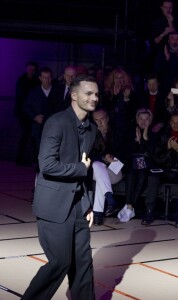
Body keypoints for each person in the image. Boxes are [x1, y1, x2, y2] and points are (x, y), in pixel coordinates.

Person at [21, 75, 99, 300]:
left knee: (83, 262)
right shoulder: (56, 122)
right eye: (88, 93)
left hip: (79, 205)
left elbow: (87, 168)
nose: (94, 98)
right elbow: (46, 164)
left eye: (96, 94)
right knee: (60, 262)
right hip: (54, 206)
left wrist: (88, 203)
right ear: (74, 95)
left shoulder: (92, 129)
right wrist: (79, 169)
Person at [141, 112, 178, 228]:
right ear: (170, 123)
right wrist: (168, 148)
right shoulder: (163, 136)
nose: (176, 125)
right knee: (153, 176)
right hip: (165, 170)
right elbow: (157, 158)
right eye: (173, 122)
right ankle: (149, 211)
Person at [91, 109, 123, 226]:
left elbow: (124, 153)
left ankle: (99, 212)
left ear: (107, 119)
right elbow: (89, 154)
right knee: (98, 165)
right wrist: (104, 158)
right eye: (96, 120)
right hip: (96, 170)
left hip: (115, 170)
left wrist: (112, 158)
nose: (99, 123)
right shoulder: (91, 134)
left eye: (102, 119)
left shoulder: (117, 132)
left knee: (101, 177)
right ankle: (109, 201)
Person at [125, 108, 155, 219]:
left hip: (147, 167)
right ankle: (129, 205)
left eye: (146, 119)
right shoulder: (131, 133)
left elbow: (153, 155)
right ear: (137, 120)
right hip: (132, 165)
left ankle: (130, 206)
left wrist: (146, 139)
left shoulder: (154, 134)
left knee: (142, 174)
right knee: (131, 173)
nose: (143, 121)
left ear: (150, 121)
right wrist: (137, 141)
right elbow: (128, 153)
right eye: (141, 119)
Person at [23, 67, 54, 165]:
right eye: (44, 77)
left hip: (54, 125)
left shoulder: (56, 91)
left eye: (49, 77)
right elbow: (26, 107)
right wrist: (35, 116)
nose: (47, 80)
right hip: (38, 126)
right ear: (40, 78)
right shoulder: (34, 92)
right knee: (39, 148)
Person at [14, 61, 40, 166]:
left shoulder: (35, 80)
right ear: (26, 69)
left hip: (31, 112)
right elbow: (22, 97)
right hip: (24, 113)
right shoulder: (21, 80)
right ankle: (20, 159)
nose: (31, 71)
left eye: (33, 69)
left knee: (33, 136)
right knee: (26, 135)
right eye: (30, 69)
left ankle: (33, 158)